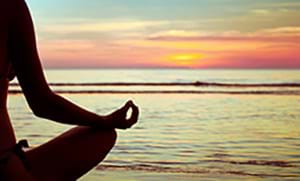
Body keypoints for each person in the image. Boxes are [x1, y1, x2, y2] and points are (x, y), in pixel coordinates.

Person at [0, 0, 139, 180]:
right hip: (4, 165)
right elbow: (42, 103)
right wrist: (105, 120)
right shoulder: (10, 6)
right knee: (103, 134)